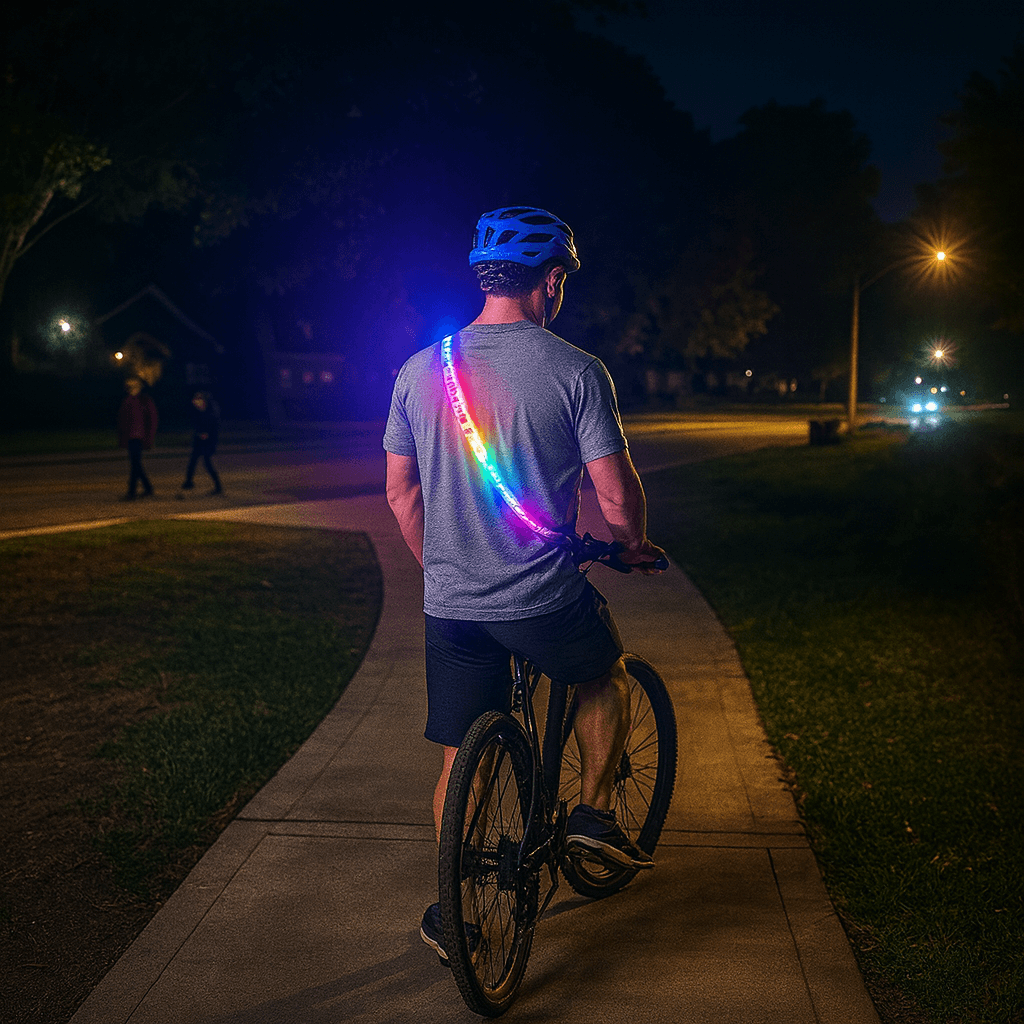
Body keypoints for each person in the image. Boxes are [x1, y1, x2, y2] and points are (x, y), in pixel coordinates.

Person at [382, 206, 666, 960]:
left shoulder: (419, 369)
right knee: (604, 670)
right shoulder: (575, 370)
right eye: (562, 279)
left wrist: (443, 571)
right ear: (551, 280)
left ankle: (451, 910)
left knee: (455, 758)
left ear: (484, 277)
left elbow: (402, 496)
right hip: (540, 598)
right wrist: (631, 545)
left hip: (451, 608)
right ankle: (594, 815)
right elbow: (614, 491)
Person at [117, 377, 158, 500]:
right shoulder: (129, 400)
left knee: (135, 464)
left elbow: (152, 420)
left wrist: (149, 437)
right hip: (132, 436)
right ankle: (147, 488)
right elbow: (123, 420)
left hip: (139, 437)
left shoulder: (144, 400)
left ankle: (132, 492)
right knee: (136, 464)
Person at [181, 391, 222, 495]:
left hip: (208, 442)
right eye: (195, 400)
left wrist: (207, 434)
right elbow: (196, 425)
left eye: (198, 399)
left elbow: (214, 427)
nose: (195, 402)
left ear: (204, 400)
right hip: (199, 441)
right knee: (193, 461)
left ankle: (218, 486)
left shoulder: (210, 411)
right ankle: (189, 481)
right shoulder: (197, 411)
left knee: (207, 463)